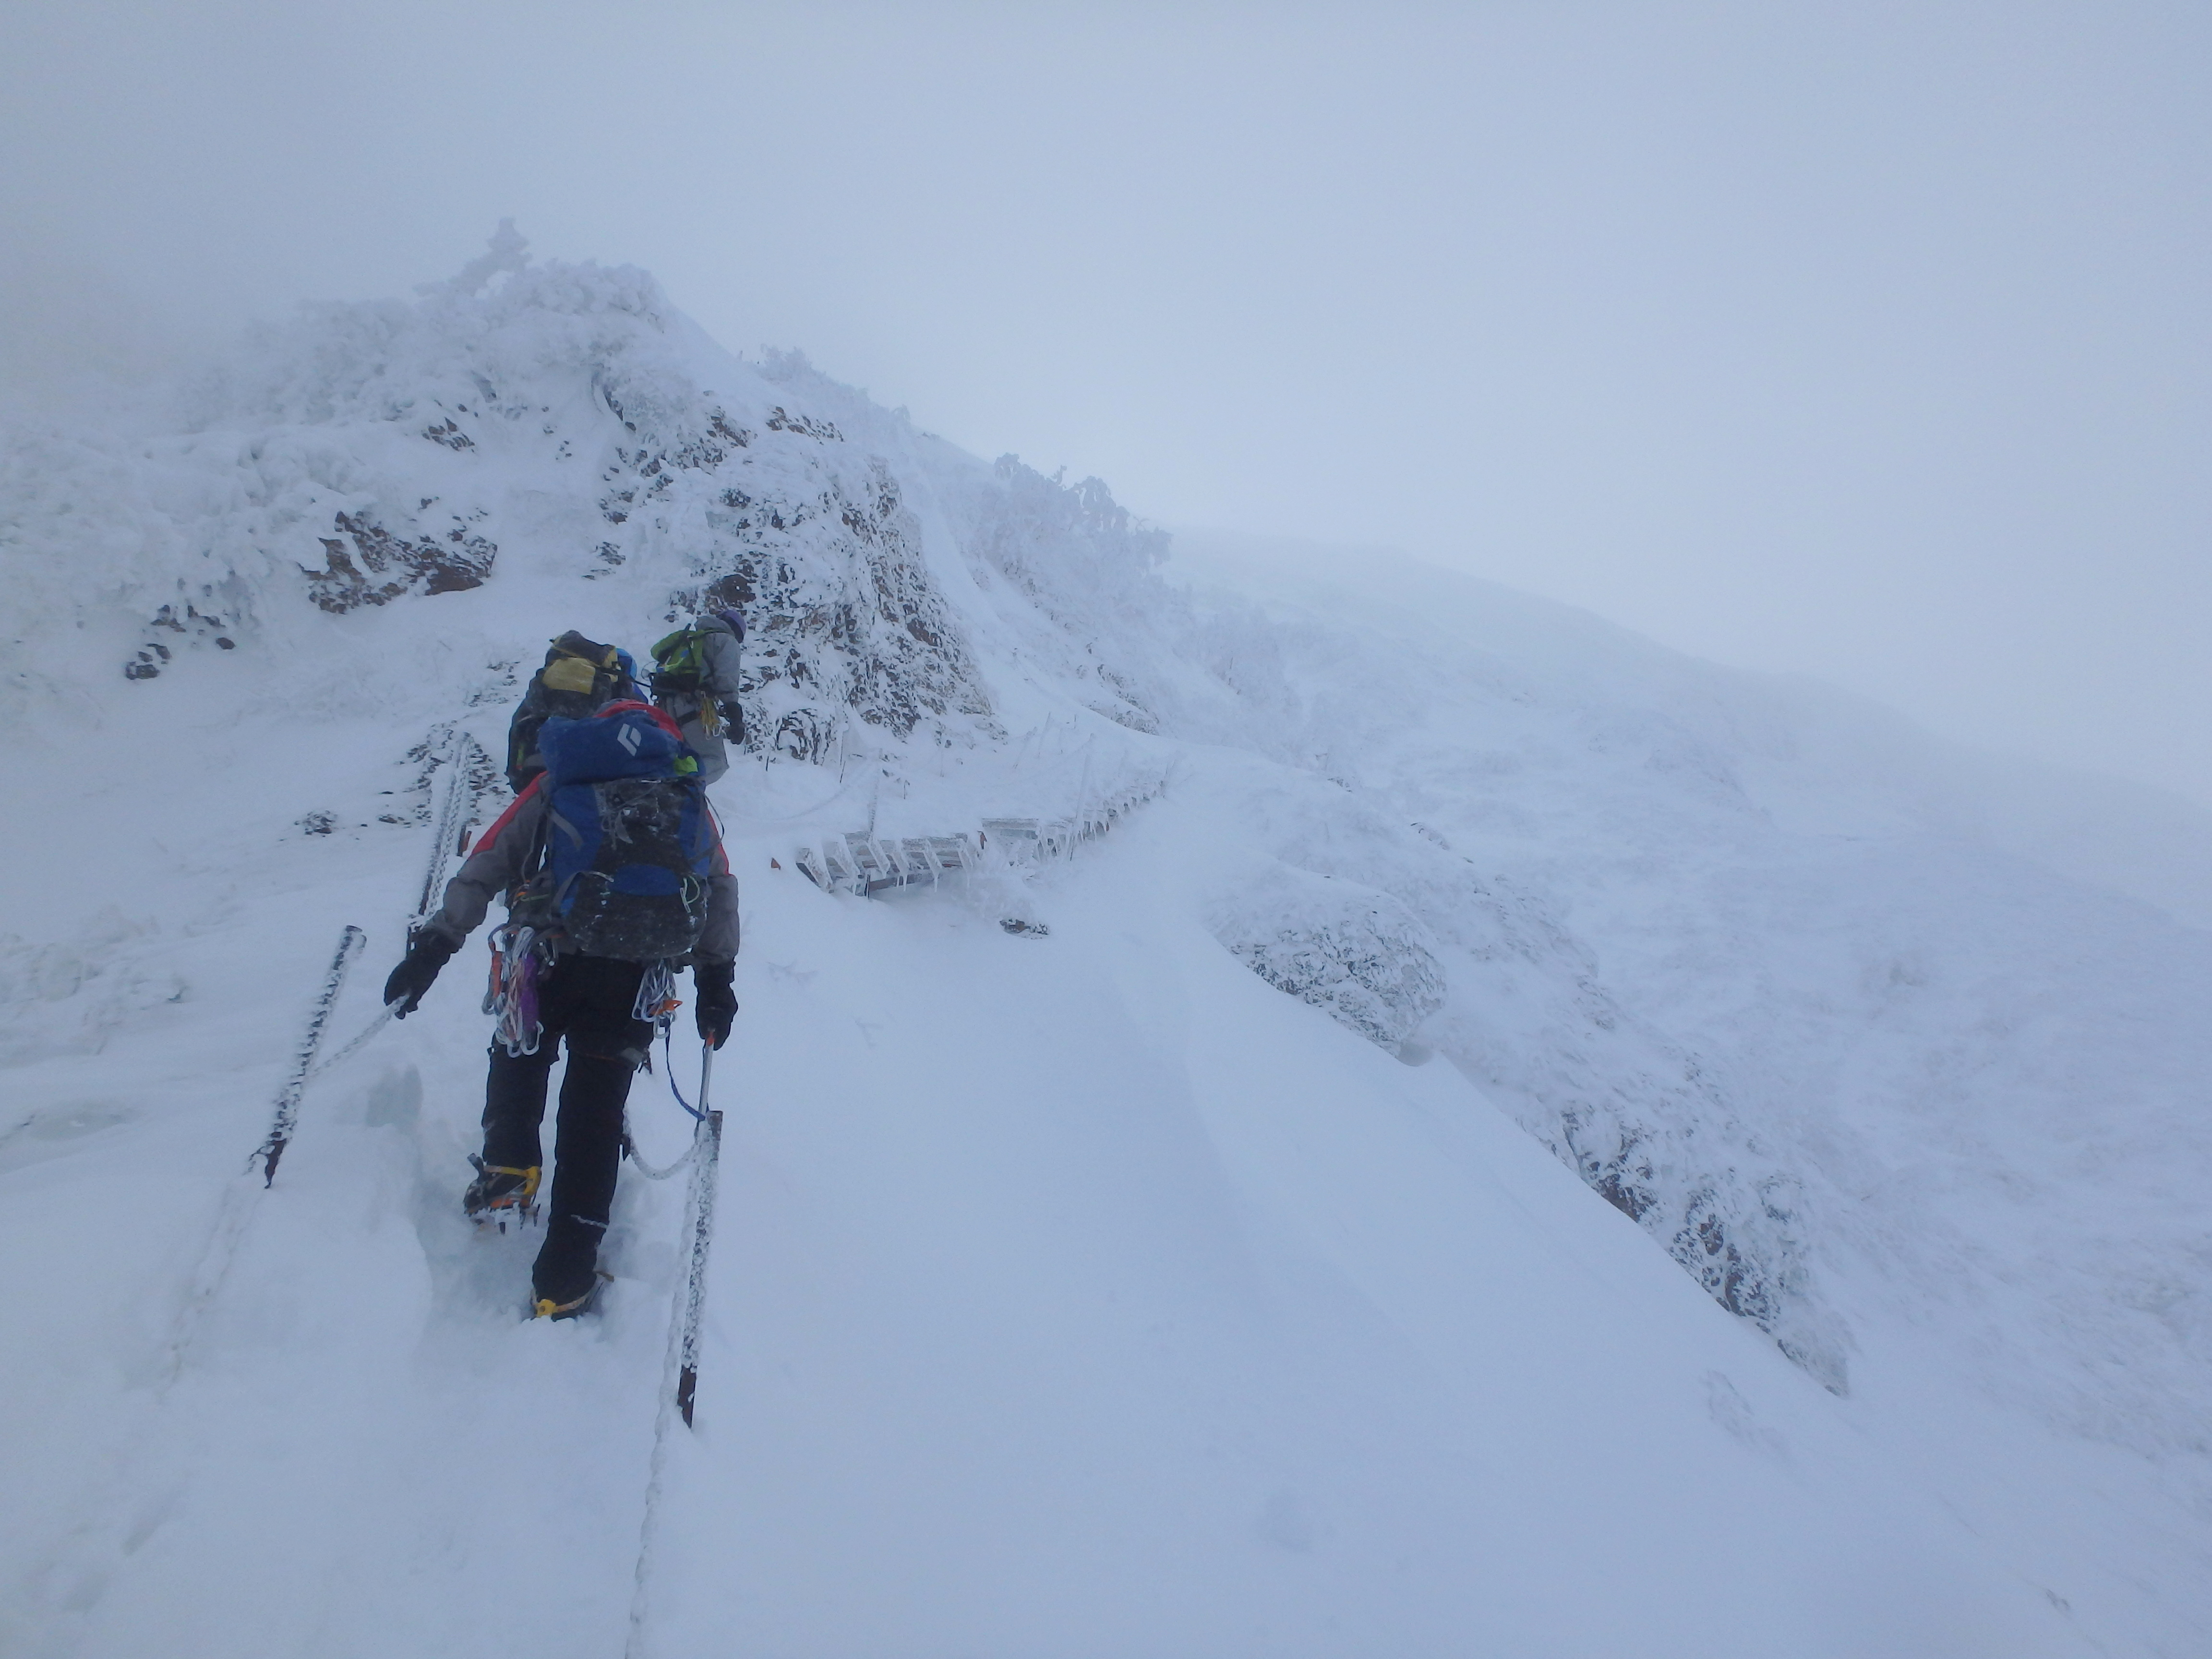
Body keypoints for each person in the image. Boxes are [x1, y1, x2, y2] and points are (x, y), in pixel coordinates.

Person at [383, 698, 739, 1319]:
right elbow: (719, 888)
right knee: (595, 1116)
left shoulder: (562, 779)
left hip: (544, 955)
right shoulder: (684, 794)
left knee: (519, 1055)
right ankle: (563, 1280)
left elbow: (491, 858)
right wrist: (717, 981)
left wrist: (436, 945)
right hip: (631, 977)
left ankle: (508, 1171)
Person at [648, 608, 745, 785]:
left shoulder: (692, 639)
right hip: (695, 706)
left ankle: (659, 788)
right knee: (716, 761)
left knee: (674, 757)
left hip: (663, 706)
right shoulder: (726, 640)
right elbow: (726, 680)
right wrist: (735, 717)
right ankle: (679, 790)